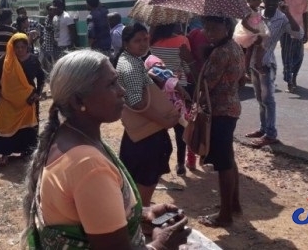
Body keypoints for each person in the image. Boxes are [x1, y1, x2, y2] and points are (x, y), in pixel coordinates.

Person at [22, 50, 190, 249]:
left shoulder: (68, 137)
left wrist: (143, 214)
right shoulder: (88, 165)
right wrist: (162, 244)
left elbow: (86, 212)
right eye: (111, 84)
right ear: (78, 101)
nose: (122, 91)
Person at [113, 23, 179, 206]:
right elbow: (137, 102)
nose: (143, 44)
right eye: (137, 41)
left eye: (145, 39)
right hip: (146, 134)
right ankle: (143, 215)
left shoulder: (129, 59)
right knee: (147, 176)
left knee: (137, 176)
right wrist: (164, 121)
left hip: (139, 133)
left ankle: (138, 212)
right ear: (126, 43)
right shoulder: (131, 66)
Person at [196, 16, 244, 228]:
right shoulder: (234, 47)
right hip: (231, 107)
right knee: (229, 157)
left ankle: (225, 215)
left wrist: (190, 60)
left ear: (227, 27)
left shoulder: (221, 52)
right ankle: (233, 203)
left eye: (215, 28)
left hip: (220, 112)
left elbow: (206, 84)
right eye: (206, 28)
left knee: (223, 163)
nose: (209, 32)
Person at [246, 0, 303, 148]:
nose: (270, 3)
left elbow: (298, 35)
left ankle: (271, 134)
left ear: (279, 1)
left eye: (274, 0)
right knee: (259, 98)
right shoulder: (258, 15)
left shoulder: (282, 19)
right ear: (263, 0)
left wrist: (288, 14)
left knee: (268, 99)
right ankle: (263, 128)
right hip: (253, 63)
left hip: (267, 64)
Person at [0, 33, 44, 165]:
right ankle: (5, 154)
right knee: (4, 125)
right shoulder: (7, 60)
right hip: (8, 100)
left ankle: (26, 152)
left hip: (27, 101)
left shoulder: (33, 60)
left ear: (27, 47)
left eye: (22, 47)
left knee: (27, 127)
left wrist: (38, 92)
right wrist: (0, 89)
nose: (20, 50)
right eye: (17, 47)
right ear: (12, 47)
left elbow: (41, 77)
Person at [148, 24, 197, 175]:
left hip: (158, 91)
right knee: (180, 128)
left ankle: (156, 163)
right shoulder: (182, 40)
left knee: (157, 129)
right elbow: (187, 69)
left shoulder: (152, 40)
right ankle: (181, 164)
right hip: (177, 90)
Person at [281, 0, 308, 93]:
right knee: (287, 57)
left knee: (299, 56)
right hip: (286, 31)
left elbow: (305, 13)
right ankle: (289, 81)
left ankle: (294, 77)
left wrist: (306, 33)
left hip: (299, 31)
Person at [233, 0, 268, 83]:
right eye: (255, 0)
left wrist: (261, 19)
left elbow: (256, 19)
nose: (258, 1)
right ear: (248, 1)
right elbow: (244, 22)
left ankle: (254, 67)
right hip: (249, 31)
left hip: (256, 29)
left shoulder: (257, 9)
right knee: (249, 51)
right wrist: (253, 31)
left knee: (256, 49)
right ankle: (246, 69)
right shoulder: (248, 10)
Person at [39, 4, 56, 75]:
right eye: (50, 10)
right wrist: (41, 37)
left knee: (52, 60)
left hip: (52, 44)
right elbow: (45, 29)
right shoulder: (47, 18)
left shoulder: (56, 19)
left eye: (52, 10)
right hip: (45, 43)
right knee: (42, 60)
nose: (51, 12)